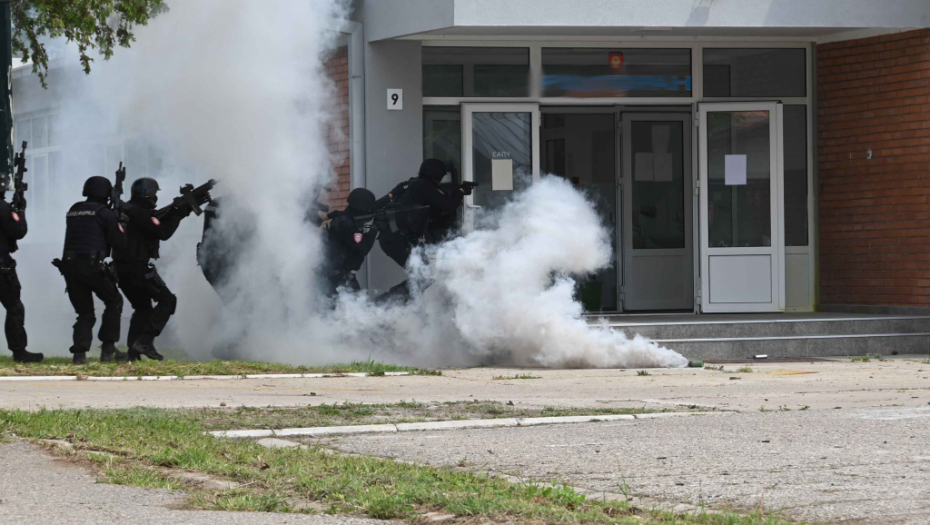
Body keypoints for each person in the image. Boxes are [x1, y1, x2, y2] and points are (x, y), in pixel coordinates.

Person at [113, 178, 208, 361]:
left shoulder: (132, 211)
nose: (156, 197)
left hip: (122, 269)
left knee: (142, 308)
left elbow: (156, 219)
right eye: (154, 193)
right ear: (147, 193)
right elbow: (162, 232)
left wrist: (182, 208)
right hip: (136, 268)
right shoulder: (139, 213)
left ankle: (133, 353)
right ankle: (145, 342)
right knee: (167, 301)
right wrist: (179, 212)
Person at [375, 158, 472, 302]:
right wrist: (461, 191)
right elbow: (448, 205)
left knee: (423, 277)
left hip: (393, 237)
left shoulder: (408, 185)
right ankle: (384, 304)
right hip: (399, 239)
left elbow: (379, 204)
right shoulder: (424, 186)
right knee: (423, 277)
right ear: (437, 175)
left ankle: (393, 308)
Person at [55, 176, 127, 365]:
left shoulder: (74, 210)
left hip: (70, 269)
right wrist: (121, 223)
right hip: (93, 268)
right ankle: (108, 349)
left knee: (85, 313)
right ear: (106, 193)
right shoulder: (105, 213)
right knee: (114, 301)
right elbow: (119, 243)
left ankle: (79, 355)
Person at [0, 189, 41, 363]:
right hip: (1, 266)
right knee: (14, 307)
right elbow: (19, 230)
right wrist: (20, 211)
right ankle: (19, 352)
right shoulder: (3, 207)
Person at [323, 188, 378, 297]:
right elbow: (363, 248)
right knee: (358, 309)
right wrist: (374, 229)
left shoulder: (344, 218)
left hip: (336, 277)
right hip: (339, 280)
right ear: (361, 209)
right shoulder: (346, 225)